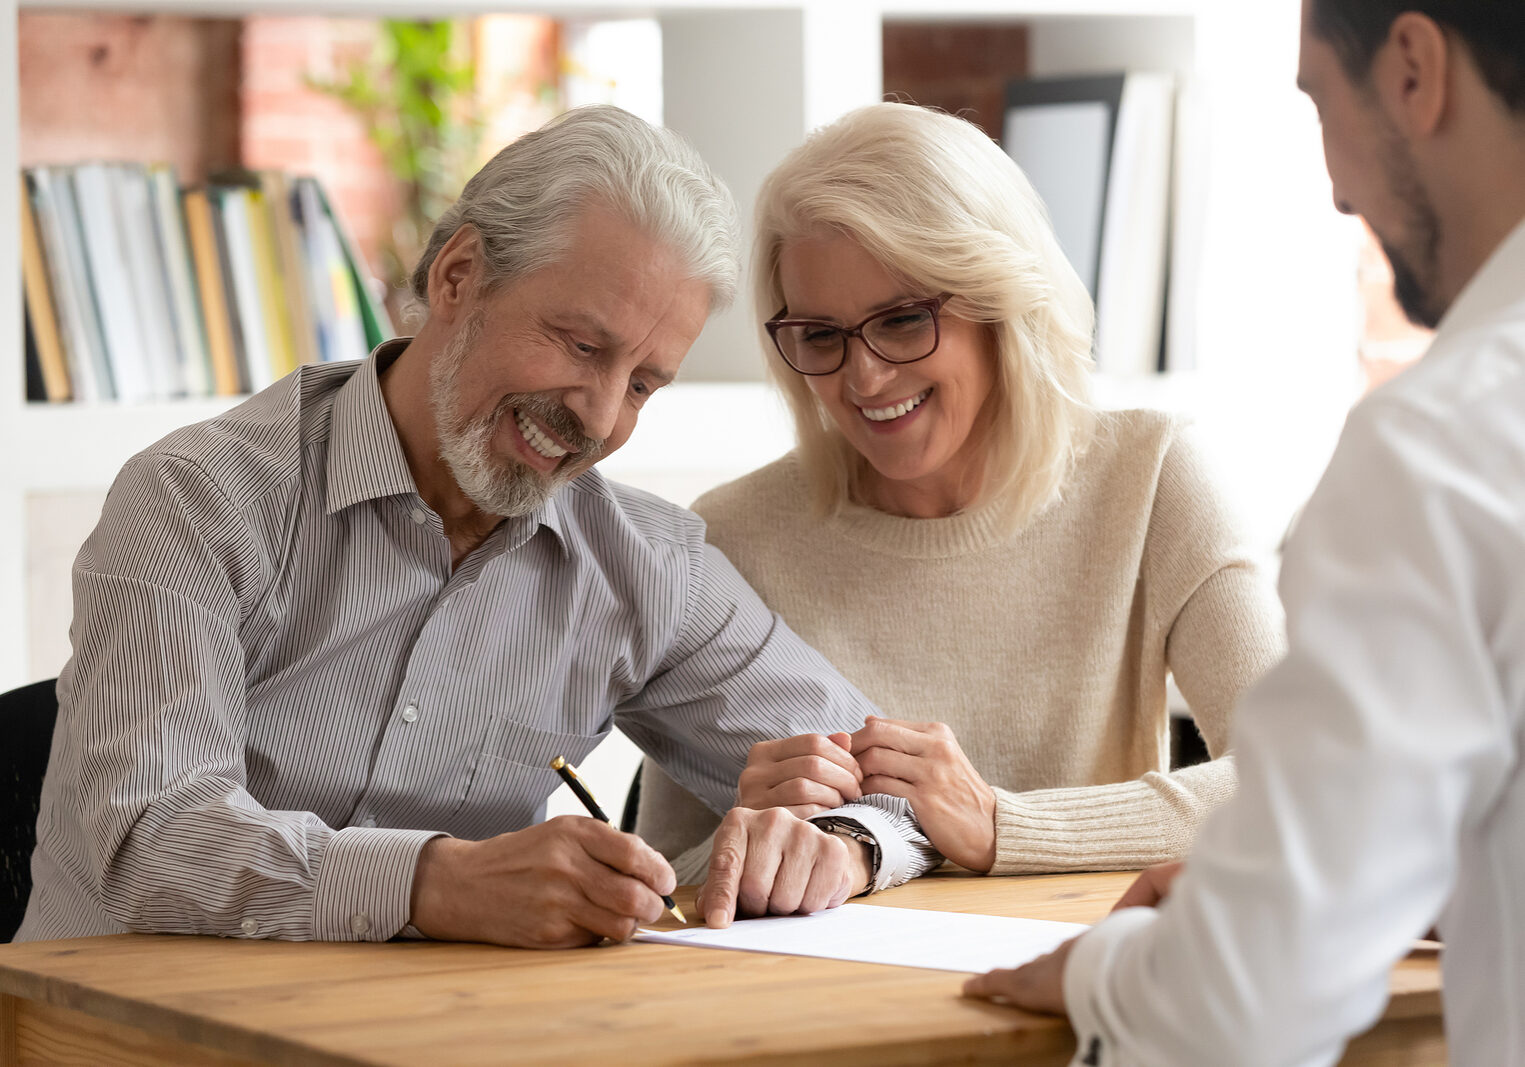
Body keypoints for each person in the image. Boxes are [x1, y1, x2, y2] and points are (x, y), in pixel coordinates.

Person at [17, 105, 941, 949]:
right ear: (458, 274)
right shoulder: (195, 500)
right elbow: (145, 838)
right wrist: (434, 881)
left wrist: (843, 843)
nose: (598, 412)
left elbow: (889, 780)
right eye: (581, 344)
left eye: (644, 382)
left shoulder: (645, 566)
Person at [964, 2, 1525, 1063]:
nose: (1335, 187)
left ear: (1413, 70)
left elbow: (1246, 1007)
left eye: (1319, 101)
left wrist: (1106, 965)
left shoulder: (1438, 451)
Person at [636, 102, 1285, 882]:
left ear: (999, 305)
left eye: (904, 320)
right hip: (825, 992)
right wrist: (747, 838)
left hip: (1076, 974)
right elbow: (667, 884)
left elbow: (1299, 773)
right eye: (820, 335)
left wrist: (1000, 824)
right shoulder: (731, 536)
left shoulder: (1151, 476)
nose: (863, 377)